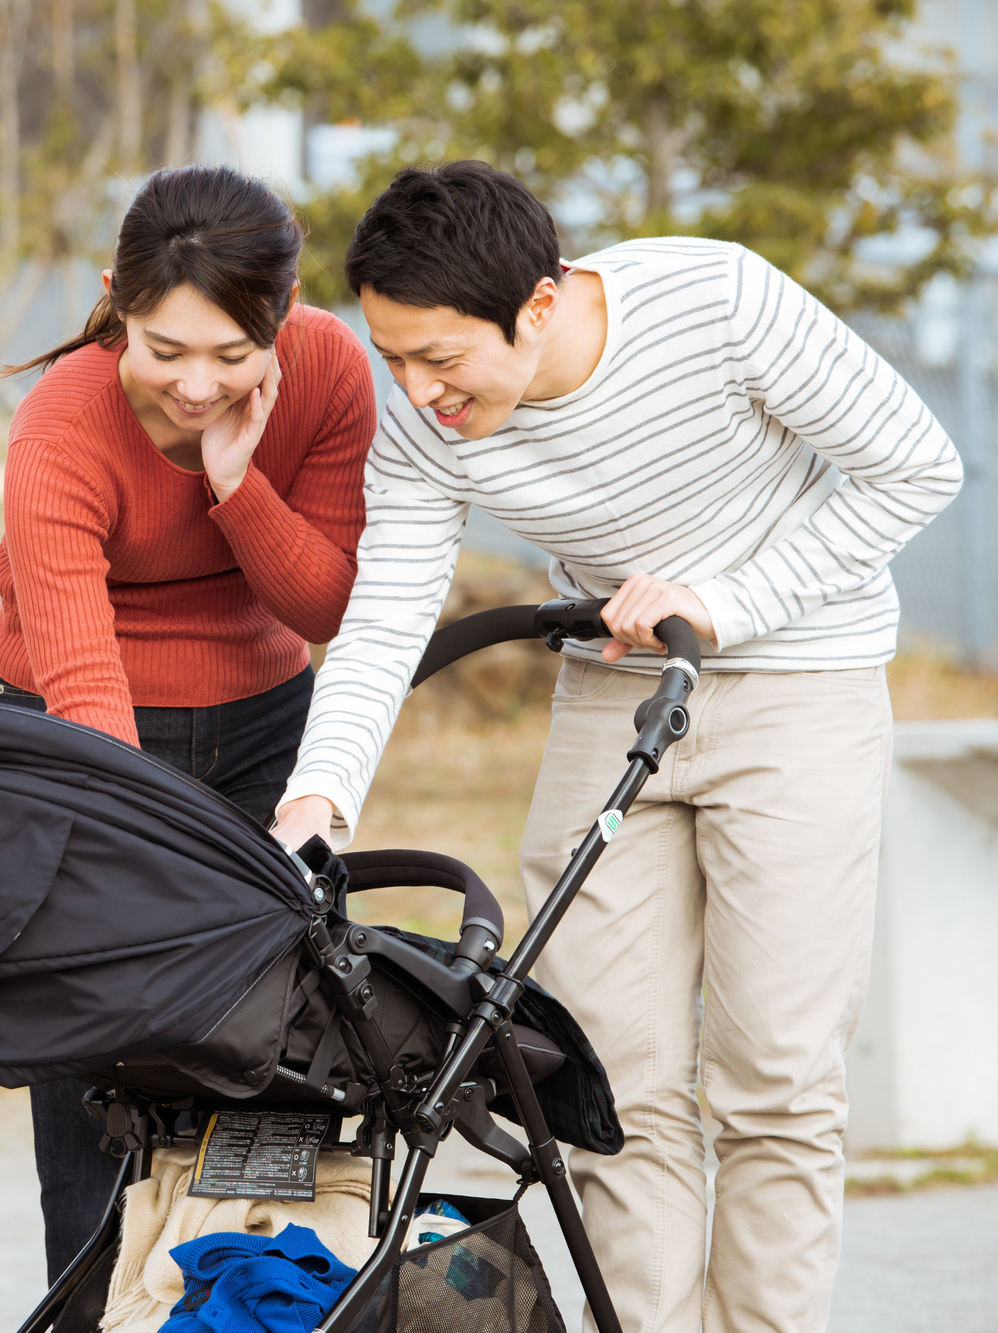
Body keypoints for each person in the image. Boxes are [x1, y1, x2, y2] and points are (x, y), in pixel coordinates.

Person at [271, 160, 962, 1333]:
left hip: (797, 681)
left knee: (775, 1084)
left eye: (440, 358)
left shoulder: (721, 306)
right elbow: (388, 607)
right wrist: (319, 795)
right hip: (612, 693)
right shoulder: (427, 417)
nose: (416, 388)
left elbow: (915, 466)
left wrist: (723, 597)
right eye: (392, 356)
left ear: (537, 306)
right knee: (602, 1082)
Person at [0, 162, 376, 1282]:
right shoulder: (58, 426)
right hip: (79, 731)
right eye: (163, 350)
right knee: (91, 1046)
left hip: (263, 723)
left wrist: (235, 483)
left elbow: (325, 604)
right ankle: (89, 1295)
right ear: (114, 297)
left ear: (283, 319)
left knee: (257, 1038)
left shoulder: (328, 369)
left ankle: (238, 1292)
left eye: (230, 353)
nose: (196, 385)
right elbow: (84, 684)